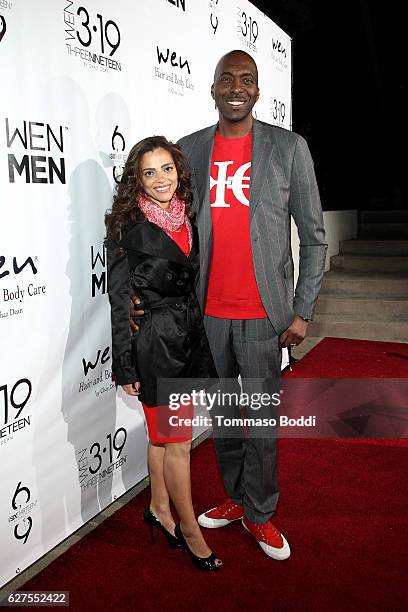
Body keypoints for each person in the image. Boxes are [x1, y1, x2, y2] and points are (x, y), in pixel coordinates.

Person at [175, 50, 328, 560]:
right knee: (224, 417)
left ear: (258, 91)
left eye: (247, 79)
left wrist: (302, 310)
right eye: (227, 78)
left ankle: (261, 513)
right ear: (213, 87)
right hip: (209, 314)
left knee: (261, 423)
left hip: (265, 316)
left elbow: (314, 236)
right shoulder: (189, 151)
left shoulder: (289, 148)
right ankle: (236, 498)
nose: (236, 86)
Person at [105, 136, 222, 570]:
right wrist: (125, 362)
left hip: (189, 336)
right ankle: (191, 531)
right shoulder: (127, 228)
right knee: (179, 444)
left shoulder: (186, 216)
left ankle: (158, 507)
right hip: (155, 345)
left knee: (162, 437)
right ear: (135, 178)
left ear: (180, 171)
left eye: (167, 169)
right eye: (149, 172)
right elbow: (120, 302)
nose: (160, 180)